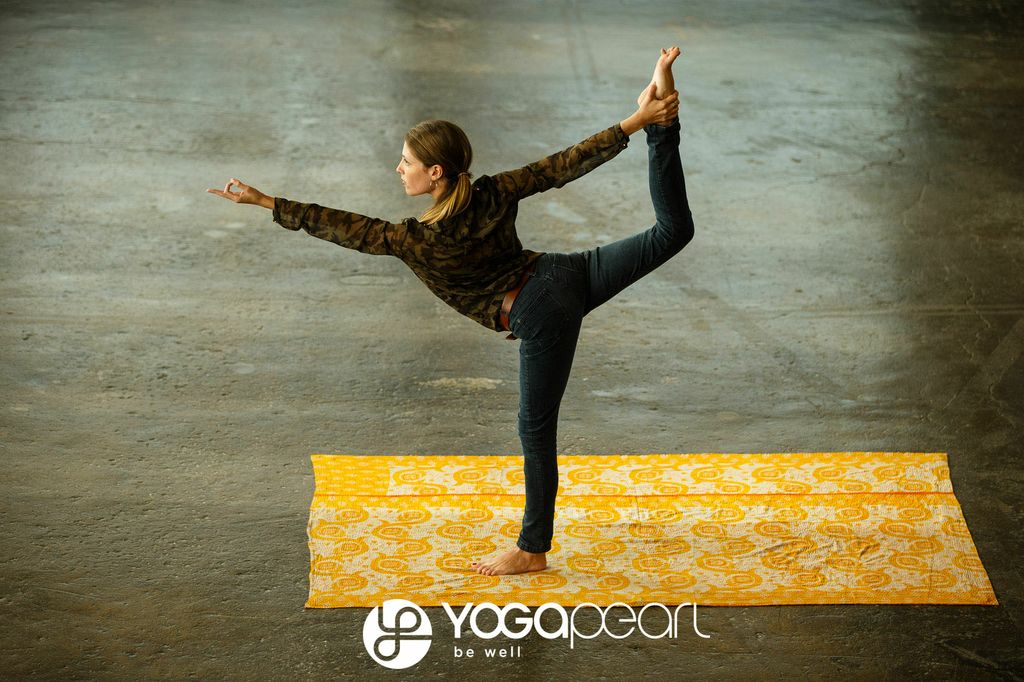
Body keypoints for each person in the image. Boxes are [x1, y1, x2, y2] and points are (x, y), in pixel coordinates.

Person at [207, 47, 693, 576]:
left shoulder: (415, 240)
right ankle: (663, 124)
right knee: (672, 232)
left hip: (540, 312)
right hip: (565, 275)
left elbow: (345, 227)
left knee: (535, 429)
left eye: (406, 162)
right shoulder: (490, 192)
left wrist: (267, 203)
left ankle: (532, 549)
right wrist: (637, 121)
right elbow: (561, 165)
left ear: (434, 172)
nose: (398, 168)